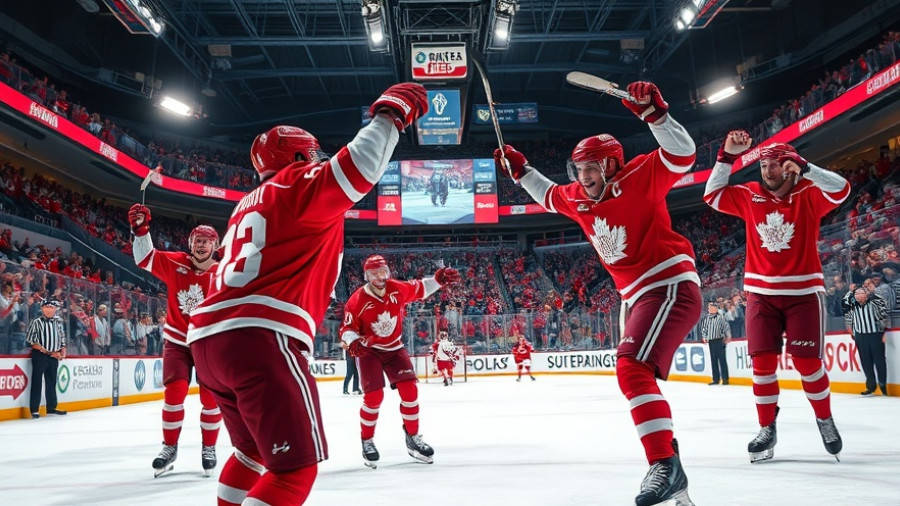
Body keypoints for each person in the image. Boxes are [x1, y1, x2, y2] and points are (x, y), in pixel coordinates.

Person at [186, 82, 429, 505]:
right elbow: (358, 167)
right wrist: (391, 113)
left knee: (251, 452)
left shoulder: (245, 204)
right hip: (260, 335)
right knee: (295, 468)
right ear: (299, 157)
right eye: (312, 155)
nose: (317, 161)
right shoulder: (296, 182)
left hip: (208, 340)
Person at [495, 81, 700, 505]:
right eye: (579, 169)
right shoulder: (579, 198)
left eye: (590, 168)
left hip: (667, 284)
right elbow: (550, 196)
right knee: (634, 373)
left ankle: (664, 464)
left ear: (611, 165)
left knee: (630, 368)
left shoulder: (639, 176)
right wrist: (522, 171)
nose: (582, 177)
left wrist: (654, 114)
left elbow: (683, 154)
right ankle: (673, 471)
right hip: (637, 295)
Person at [703, 131, 849, 463]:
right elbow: (711, 196)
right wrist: (726, 157)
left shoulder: (810, 193)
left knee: (808, 365)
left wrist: (807, 168)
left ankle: (824, 419)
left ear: (789, 168)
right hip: (761, 294)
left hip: (803, 293)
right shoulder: (750, 194)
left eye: (775, 165)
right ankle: (767, 427)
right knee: (763, 366)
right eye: (764, 165)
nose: (767, 171)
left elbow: (842, 189)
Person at [128, 204, 223, 477]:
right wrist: (141, 231)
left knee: (210, 399)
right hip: (177, 342)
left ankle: (209, 447)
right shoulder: (177, 261)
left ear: (215, 245)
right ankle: (169, 447)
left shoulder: (225, 272)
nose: (202, 244)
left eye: (207, 241)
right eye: (198, 240)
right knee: (174, 395)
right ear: (191, 243)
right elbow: (144, 258)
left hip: (209, 343)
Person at [340, 254, 460, 468]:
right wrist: (352, 341)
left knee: (410, 391)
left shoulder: (397, 288)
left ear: (388, 271)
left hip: (395, 348)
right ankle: (367, 440)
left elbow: (420, 288)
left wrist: (438, 280)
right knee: (374, 397)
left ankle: (413, 437)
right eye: (374, 273)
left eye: (383, 271)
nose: (380, 276)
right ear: (366, 276)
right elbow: (347, 328)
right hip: (370, 351)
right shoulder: (357, 300)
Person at [843, 286, 889, 396]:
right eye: (856, 294)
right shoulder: (852, 306)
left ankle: (882, 384)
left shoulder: (874, 303)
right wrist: (850, 291)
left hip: (875, 334)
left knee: (879, 361)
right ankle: (871, 386)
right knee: (866, 362)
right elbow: (847, 313)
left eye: (861, 293)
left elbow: (883, 316)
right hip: (860, 336)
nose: (859, 296)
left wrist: (884, 332)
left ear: (866, 294)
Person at [25, 297, 67, 419]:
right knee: (37, 381)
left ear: (56, 309)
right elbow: (32, 341)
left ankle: (51, 407)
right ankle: (34, 409)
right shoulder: (36, 322)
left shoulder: (58, 321)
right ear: (42, 308)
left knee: (52, 381)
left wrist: (62, 350)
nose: (49, 310)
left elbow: (62, 337)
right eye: (47, 307)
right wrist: (49, 353)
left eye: (52, 307)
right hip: (40, 355)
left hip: (54, 355)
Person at [700, 300, 731, 385]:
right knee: (713, 360)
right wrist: (704, 337)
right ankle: (715, 379)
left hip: (720, 340)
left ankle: (725, 379)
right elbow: (704, 329)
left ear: (715, 308)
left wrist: (728, 337)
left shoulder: (721, 317)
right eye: (708, 307)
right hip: (711, 341)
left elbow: (726, 328)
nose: (709, 308)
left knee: (722, 360)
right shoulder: (706, 318)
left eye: (711, 307)